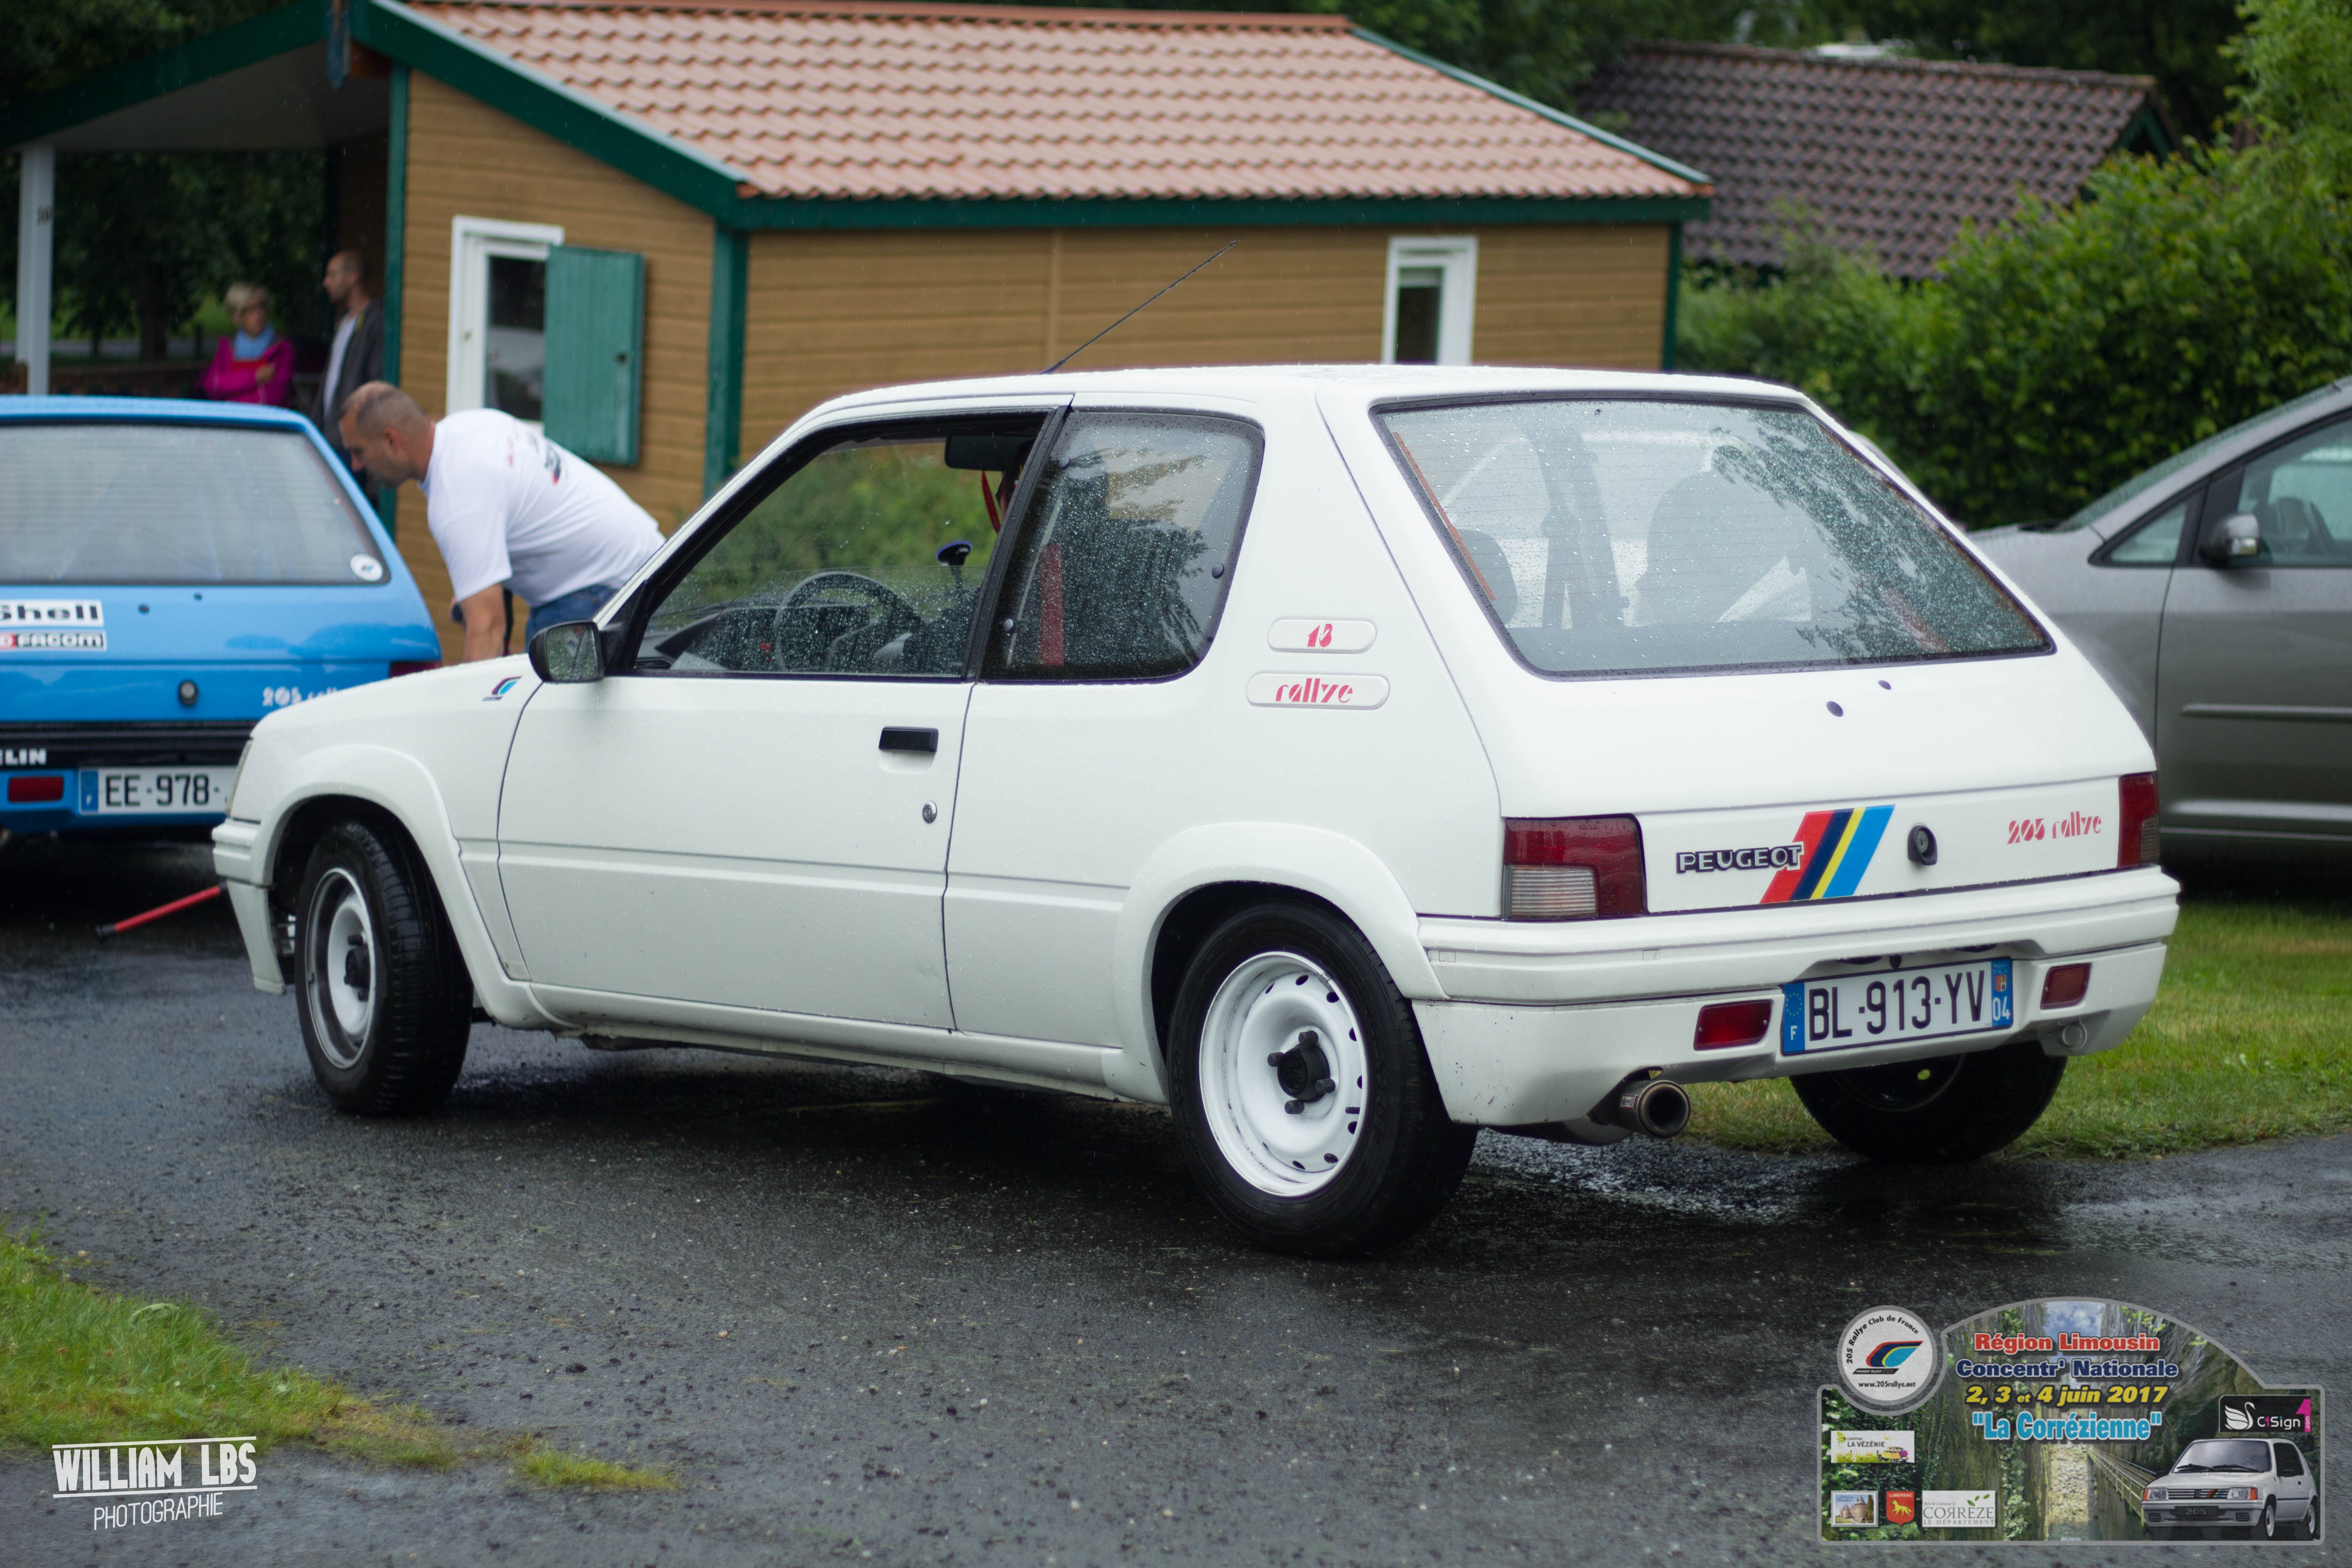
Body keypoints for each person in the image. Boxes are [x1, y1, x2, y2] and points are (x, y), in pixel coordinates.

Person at [338, 382, 662, 662]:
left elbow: (489, 630)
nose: (355, 466)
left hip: (610, 591)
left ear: (391, 441)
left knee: (540, 695)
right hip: (646, 559)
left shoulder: (458, 495)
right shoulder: (472, 426)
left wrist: (468, 714)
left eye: (359, 452)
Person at [312, 250, 383, 432]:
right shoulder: (341, 322)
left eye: (332, 275)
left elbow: (375, 382)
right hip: (330, 431)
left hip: (354, 435)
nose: (326, 282)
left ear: (353, 278)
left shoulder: (375, 323)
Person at [201, 283, 294, 407]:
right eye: (250, 309)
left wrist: (230, 384)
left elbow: (273, 399)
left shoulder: (282, 348)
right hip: (231, 417)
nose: (258, 314)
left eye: (261, 306)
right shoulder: (227, 348)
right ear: (236, 316)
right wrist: (255, 377)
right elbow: (212, 386)